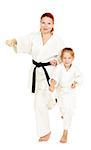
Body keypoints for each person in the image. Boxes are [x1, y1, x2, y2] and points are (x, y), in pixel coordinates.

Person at [5, 12, 64, 142]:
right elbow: (23, 42)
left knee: (38, 103)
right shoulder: (34, 36)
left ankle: (45, 132)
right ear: (40, 23)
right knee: (43, 101)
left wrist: (57, 60)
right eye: (43, 22)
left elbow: (63, 55)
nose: (46, 25)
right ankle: (53, 101)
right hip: (37, 72)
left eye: (49, 23)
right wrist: (14, 41)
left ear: (53, 25)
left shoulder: (57, 40)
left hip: (50, 73)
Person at [49, 47, 81, 143]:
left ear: (73, 58)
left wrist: (75, 82)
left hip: (70, 93)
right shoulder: (59, 68)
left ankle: (65, 132)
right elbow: (54, 77)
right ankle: (60, 107)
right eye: (64, 58)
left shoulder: (75, 69)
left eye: (69, 58)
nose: (67, 60)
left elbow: (80, 77)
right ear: (61, 58)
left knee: (68, 111)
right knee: (63, 109)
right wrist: (52, 85)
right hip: (60, 91)